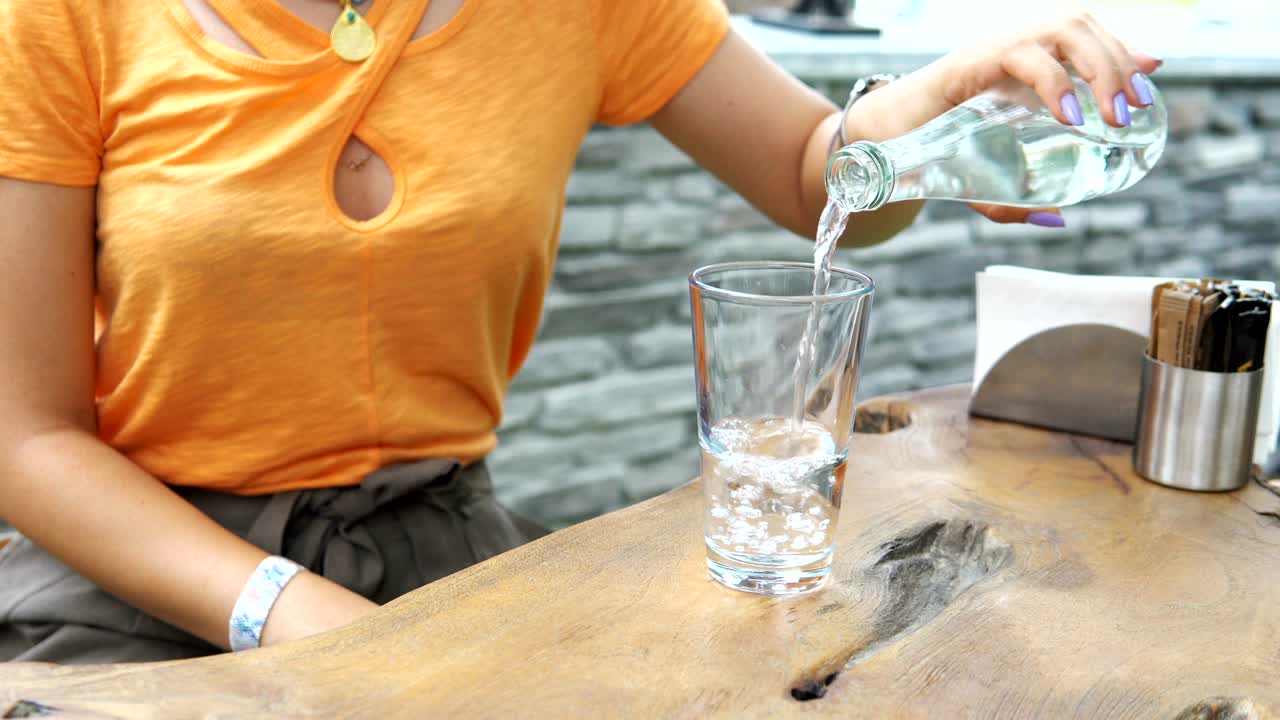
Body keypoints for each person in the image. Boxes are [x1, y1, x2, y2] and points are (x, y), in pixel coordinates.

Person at [0, 0, 1159, 664]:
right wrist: (287, 610)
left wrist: (934, 101)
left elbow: (822, 182)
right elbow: (25, 437)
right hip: (137, 576)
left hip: (434, 561)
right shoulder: (61, 19)